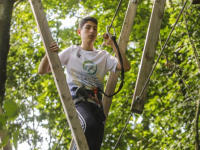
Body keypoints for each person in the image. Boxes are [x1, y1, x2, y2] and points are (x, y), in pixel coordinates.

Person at [38, 16, 130, 150]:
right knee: (88, 126)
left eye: (95, 29)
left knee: (95, 143)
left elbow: (125, 66)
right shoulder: (72, 51)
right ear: (79, 32)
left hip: (96, 104)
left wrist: (113, 44)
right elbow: (43, 70)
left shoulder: (103, 56)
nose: (92, 31)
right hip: (78, 99)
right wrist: (49, 52)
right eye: (88, 28)